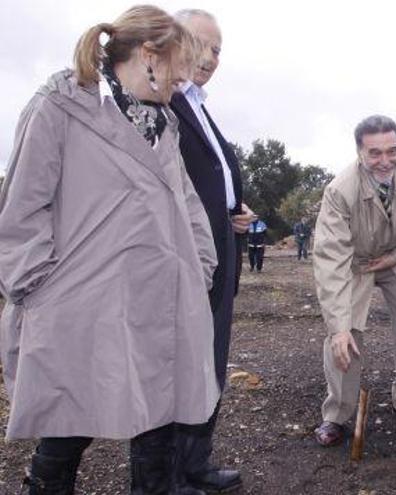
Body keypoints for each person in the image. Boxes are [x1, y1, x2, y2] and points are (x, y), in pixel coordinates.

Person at [0, 6, 220, 493]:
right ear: (148, 55)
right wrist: (37, 286)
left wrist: (201, 265)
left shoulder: (163, 122)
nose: (184, 79)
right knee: (69, 421)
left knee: (159, 419)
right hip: (84, 300)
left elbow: (186, 201)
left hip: (160, 299)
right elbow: (21, 207)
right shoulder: (60, 105)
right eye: (179, 65)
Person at [312, 115, 396, 446]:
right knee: (346, 333)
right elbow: (330, 259)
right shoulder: (339, 191)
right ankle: (336, 414)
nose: (385, 161)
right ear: (359, 152)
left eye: (392, 150)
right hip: (356, 263)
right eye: (375, 153)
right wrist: (337, 326)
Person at [170, 8, 253, 493]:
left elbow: (206, 177)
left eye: (218, 49)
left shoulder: (198, 102)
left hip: (221, 243)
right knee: (182, 363)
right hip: (182, 253)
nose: (211, 57)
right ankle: (171, 474)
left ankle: (196, 461)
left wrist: (232, 211)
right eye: (202, 45)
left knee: (211, 359)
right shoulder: (159, 103)